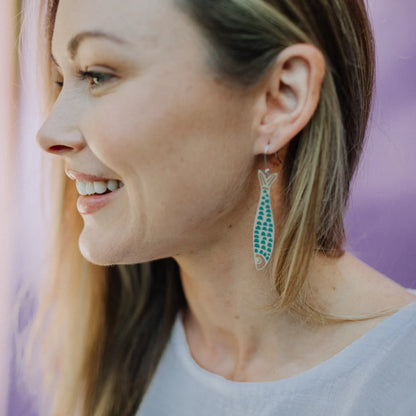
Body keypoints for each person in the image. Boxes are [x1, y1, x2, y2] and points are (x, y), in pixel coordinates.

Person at [18, 0, 416, 415]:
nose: (49, 133)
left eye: (98, 75)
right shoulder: (114, 363)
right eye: (60, 79)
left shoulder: (402, 378)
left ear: (280, 99)